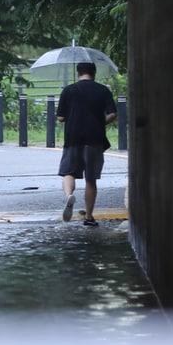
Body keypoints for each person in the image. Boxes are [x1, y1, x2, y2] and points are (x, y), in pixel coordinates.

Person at [56, 61, 117, 227]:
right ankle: (89, 217)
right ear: (94, 73)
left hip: (73, 137)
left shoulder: (68, 90)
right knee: (91, 180)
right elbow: (112, 114)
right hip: (95, 138)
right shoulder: (103, 90)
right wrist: (99, 122)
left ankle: (69, 195)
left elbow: (60, 117)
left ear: (78, 73)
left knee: (68, 171)